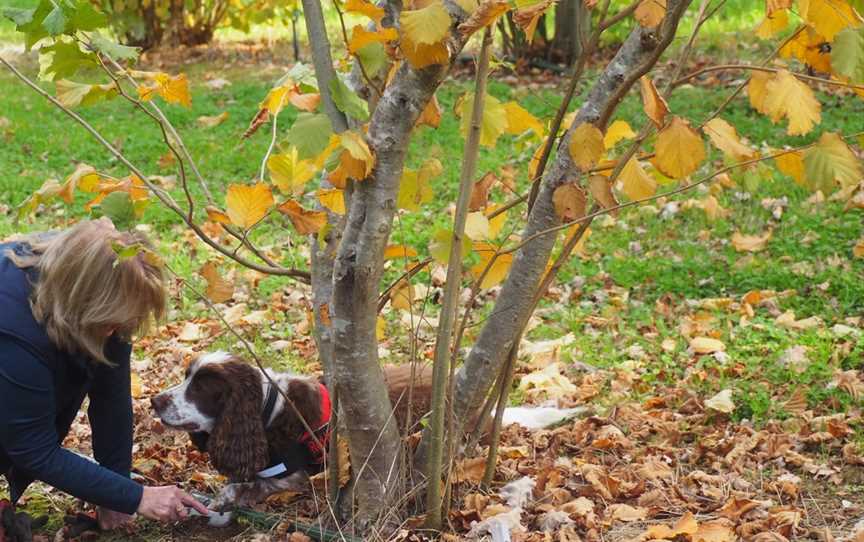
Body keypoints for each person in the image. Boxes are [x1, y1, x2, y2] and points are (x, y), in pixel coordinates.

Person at [0, 219, 209, 532]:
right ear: (83, 303)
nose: (115, 332)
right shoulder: (12, 330)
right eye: (110, 323)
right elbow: (34, 449)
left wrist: (117, 491)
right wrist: (138, 498)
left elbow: (111, 398)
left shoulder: (99, 277)